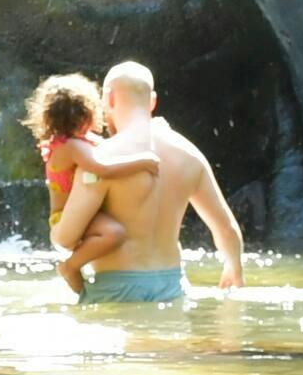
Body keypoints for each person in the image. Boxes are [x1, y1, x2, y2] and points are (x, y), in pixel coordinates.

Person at [52, 60, 244, 304]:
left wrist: (56, 215)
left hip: (114, 291)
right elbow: (226, 229)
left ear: (109, 99)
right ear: (152, 101)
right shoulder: (190, 155)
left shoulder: (102, 159)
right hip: (173, 289)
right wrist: (234, 268)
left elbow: (65, 239)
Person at [22, 70, 159, 297]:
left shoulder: (79, 142)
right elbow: (102, 169)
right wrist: (143, 162)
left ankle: (84, 298)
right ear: (86, 114)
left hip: (81, 216)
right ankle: (70, 266)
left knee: (87, 295)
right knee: (114, 232)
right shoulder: (71, 148)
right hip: (64, 218)